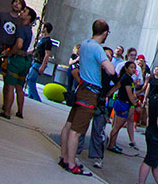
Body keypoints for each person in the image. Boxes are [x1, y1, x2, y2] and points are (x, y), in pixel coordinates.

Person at [59, 19, 118, 176]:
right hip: (90, 92)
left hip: (81, 88)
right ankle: (72, 164)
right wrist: (105, 61)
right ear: (105, 33)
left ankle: (64, 157)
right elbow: (111, 70)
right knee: (76, 131)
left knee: (69, 124)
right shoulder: (98, 48)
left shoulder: (84, 44)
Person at [0, 6, 36, 120]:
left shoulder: (21, 29)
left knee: (10, 86)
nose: (21, 12)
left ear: (29, 17)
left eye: (24, 12)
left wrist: (10, 53)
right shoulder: (29, 30)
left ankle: (7, 112)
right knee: (19, 87)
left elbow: (19, 44)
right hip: (26, 61)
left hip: (17, 59)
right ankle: (20, 111)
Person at [26, 21, 54, 103]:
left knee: (31, 79)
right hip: (36, 60)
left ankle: (36, 98)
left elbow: (47, 54)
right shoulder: (42, 39)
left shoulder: (47, 41)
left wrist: (42, 66)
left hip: (39, 62)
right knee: (31, 79)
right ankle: (30, 95)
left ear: (45, 28)